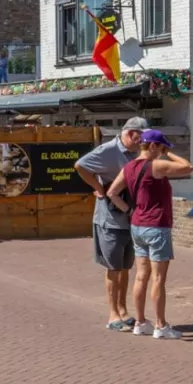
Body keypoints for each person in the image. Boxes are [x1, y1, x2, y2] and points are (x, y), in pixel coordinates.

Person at [105, 130, 193, 339]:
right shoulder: (156, 166)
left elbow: (112, 193)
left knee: (140, 276)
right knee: (158, 279)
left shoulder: (128, 167)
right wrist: (170, 154)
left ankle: (140, 322)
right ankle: (161, 325)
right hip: (157, 226)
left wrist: (129, 211)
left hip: (137, 226)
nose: (162, 152)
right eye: (161, 147)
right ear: (153, 146)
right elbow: (188, 167)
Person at [75, 117, 147, 331]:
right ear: (129, 133)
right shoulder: (108, 150)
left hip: (130, 220)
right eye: (139, 137)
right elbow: (80, 165)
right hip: (110, 220)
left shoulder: (136, 152)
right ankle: (112, 315)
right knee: (113, 268)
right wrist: (99, 187)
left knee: (125, 267)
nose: (141, 142)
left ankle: (123, 310)